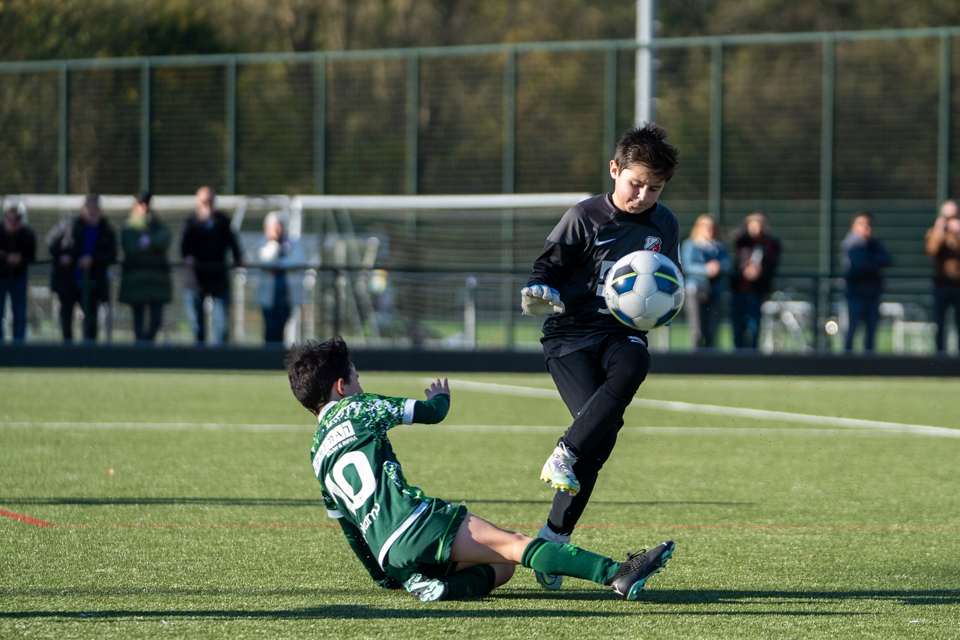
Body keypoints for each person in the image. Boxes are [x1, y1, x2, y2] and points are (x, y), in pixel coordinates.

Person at [285, 337, 674, 602]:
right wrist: (440, 400)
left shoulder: (317, 453)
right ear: (341, 386)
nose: (360, 383)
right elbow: (430, 414)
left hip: (389, 551)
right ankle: (616, 573)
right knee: (514, 545)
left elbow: (350, 530)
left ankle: (437, 587)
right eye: (356, 377)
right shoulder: (358, 406)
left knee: (501, 569)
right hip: (418, 523)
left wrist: (385, 576)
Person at [519, 122, 680, 591]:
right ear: (615, 170)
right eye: (636, 183)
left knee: (635, 364)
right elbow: (546, 267)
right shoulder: (584, 215)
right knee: (603, 435)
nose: (643, 195)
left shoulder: (664, 223)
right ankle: (555, 538)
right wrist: (539, 289)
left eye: (654, 188)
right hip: (569, 335)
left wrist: (664, 306)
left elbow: (665, 277)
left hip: (619, 332)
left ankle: (564, 454)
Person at [46, 194, 117, 342]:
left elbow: (112, 254)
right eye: (89, 207)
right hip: (68, 281)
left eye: (95, 208)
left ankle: (89, 355)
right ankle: (68, 354)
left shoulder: (107, 230)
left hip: (93, 283)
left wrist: (93, 259)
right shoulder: (70, 224)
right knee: (66, 318)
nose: (92, 211)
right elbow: (51, 241)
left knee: (91, 320)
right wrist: (61, 256)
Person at [180, 186, 245, 344]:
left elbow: (232, 243)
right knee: (197, 323)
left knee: (221, 322)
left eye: (210, 201)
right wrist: (187, 257)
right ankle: (199, 356)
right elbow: (183, 245)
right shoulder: (190, 222)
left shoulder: (222, 221)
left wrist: (239, 258)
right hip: (197, 279)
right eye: (204, 201)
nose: (207, 205)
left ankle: (219, 358)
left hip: (218, 277)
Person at [118, 191, 172, 343]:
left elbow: (165, 240)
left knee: (156, 320)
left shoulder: (158, 224)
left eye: (146, 204)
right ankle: (140, 348)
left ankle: (147, 346)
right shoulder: (128, 226)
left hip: (157, 280)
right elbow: (131, 247)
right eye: (140, 204)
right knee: (138, 319)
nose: (144, 208)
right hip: (136, 280)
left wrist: (148, 241)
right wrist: (151, 245)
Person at [841, 212, 892, 352]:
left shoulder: (874, 244)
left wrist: (873, 260)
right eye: (862, 224)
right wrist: (875, 261)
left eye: (869, 224)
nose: (866, 228)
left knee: (871, 334)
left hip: (873, 294)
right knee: (850, 332)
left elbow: (888, 259)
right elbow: (862, 264)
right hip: (855, 294)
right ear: (853, 226)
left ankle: (869, 368)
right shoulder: (851, 245)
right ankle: (846, 366)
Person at [729, 212, 780, 350]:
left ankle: (752, 358)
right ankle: (738, 357)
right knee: (738, 327)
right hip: (739, 290)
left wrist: (759, 271)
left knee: (754, 327)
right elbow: (732, 235)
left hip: (757, 291)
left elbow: (772, 264)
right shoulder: (743, 241)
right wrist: (745, 221)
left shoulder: (770, 243)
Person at [680, 214, 729, 349]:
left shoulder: (719, 247)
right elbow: (687, 265)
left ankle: (710, 365)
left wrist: (719, 267)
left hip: (714, 291)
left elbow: (727, 264)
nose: (709, 229)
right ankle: (694, 363)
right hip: (694, 290)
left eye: (712, 227)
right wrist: (706, 269)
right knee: (697, 330)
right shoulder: (690, 244)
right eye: (705, 226)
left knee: (711, 331)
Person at [255, 211, 304, 344]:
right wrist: (274, 244)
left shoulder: (293, 243)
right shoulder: (263, 243)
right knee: (270, 328)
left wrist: (278, 264)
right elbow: (265, 260)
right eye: (274, 226)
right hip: (268, 296)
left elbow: (297, 261)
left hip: (287, 296)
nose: (278, 230)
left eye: (280, 226)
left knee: (283, 328)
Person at [924, 200, 960, 353]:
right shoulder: (934, 232)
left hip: (958, 285)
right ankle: (939, 355)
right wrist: (939, 230)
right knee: (939, 322)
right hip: (941, 284)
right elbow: (931, 250)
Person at [0, 207, 37, 342]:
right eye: (10, 219)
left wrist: (19, 259)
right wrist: (6, 259)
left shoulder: (27, 234)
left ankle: (18, 349)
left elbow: (31, 256)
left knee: (19, 314)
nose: (13, 222)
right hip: (1, 277)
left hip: (19, 278)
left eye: (17, 219)